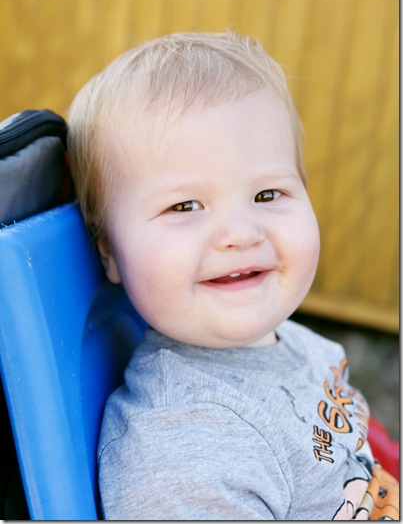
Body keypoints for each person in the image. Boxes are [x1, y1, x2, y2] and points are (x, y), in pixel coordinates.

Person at [67, 31, 399, 520]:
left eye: (267, 195)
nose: (241, 234)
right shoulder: (186, 453)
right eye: (184, 206)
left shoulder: (297, 343)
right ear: (109, 252)